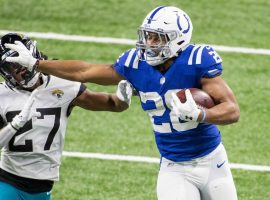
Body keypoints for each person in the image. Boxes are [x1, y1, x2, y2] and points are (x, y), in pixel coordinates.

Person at [4, 6, 240, 200]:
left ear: (178, 40)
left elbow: (232, 110)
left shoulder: (197, 61)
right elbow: (85, 71)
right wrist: (37, 64)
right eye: (147, 35)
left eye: (157, 37)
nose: (149, 42)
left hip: (212, 161)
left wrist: (201, 115)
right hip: (174, 166)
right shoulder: (135, 64)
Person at [0, 33, 132, 200]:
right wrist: (14, 125)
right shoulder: (2, 95)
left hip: (42, 186)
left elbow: (112, 104)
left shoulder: (61, 83)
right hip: (7, 180)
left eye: (20, 63)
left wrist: (123, 98)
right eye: (11, 68)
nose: (19, 71)